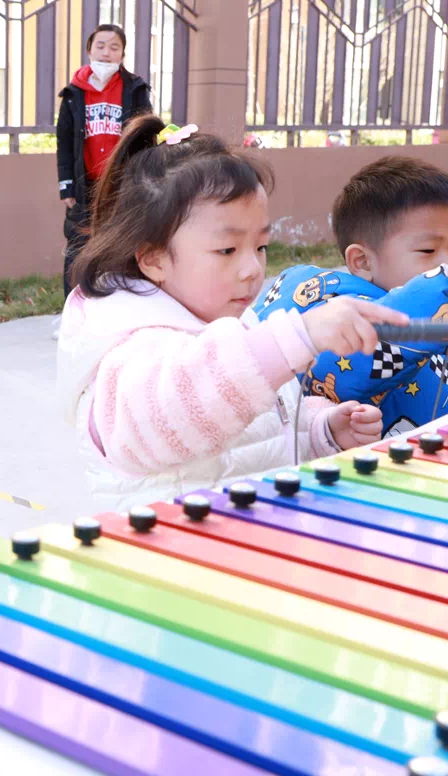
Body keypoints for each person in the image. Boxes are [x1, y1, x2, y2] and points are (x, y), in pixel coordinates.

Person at [55, 117, 409, 511]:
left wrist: (320, 431)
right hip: (173, 545)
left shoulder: (226, 321)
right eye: (227, 250)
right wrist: (295, 337)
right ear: (153, 258)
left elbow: (258, 433)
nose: (252, 269)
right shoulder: (132, 348)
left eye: (260, 247)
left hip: (248, 532)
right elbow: (176, 412)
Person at [257, 157, 448, 438]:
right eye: (428, 250)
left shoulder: (436, 312)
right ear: (362, 261)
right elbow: (343, 366)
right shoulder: (334, 308)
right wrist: (438, 291)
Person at [56, 23, 152, 301]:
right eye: (100, 46)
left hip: (123, 185)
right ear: (89, 50)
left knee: (122, 247)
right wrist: (66, 186)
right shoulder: (74, 93)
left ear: (122, 54)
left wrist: (143, 181)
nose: (106, 52)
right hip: (84, 185)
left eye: (114, 47)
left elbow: (146, 137)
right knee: (78, 247)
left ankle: (116, 306)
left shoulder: (135, 89)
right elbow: (64, 141)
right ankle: (74, 309)